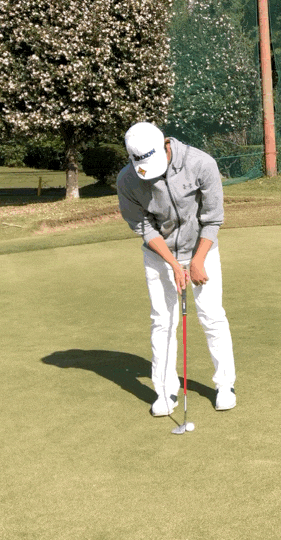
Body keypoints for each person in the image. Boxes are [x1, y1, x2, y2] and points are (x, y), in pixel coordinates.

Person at [117, 122, 236, 416]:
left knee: (212, 316)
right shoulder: (128, 179)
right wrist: (172, 264)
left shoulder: (201, 163)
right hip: (159, 256)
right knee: (163, 321)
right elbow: (143, 226)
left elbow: (213, 218)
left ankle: (225, 386)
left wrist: (196, 261)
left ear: (166, 146)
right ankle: (165, 391)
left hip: (202, 250)